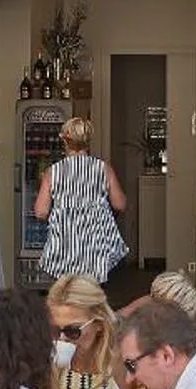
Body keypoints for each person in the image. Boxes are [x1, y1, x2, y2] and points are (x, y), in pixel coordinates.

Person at [35, 116, 129, 283]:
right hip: (96, 247)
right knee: (92, 296)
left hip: (64, 245)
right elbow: (119, 204)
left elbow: (41, 212)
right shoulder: (103, 168)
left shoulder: (53, 172)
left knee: (66, 294)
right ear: (88, 141)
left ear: (65, 140)